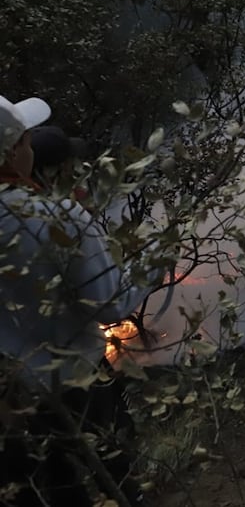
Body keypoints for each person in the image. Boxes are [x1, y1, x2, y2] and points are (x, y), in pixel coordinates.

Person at [0, 94, 145, 506]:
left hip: (13, 397)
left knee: (55, 487)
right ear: (13, 152)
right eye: (24, 140)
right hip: (77, 379)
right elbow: (110, 306)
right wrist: (151, 268)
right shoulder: (58, 217)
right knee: (120, 473)